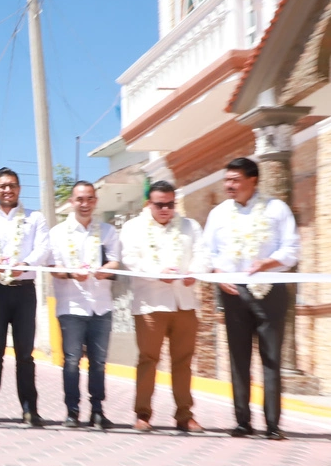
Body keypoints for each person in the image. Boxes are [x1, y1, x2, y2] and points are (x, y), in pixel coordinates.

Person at [203, 157, 300, 440]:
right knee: (238, 358)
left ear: (253, 181)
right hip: (233, 292)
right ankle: (242, 421)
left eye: (234, 180)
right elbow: (207, 252)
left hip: (270, 290)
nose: (228, 185)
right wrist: (219, 274)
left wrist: (266, 263)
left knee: (271, 359)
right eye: (226, 180)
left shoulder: (276, 209)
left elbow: (292, 249)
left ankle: (273, 424)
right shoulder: (219, 214)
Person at [120, 180, 208, 433]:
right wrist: (159, 273)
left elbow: (203, 254)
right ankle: (143, 414)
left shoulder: (190, 226)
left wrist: (196, 271)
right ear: (149, 203)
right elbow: (131, 260)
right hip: (150, 304)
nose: (165, 209)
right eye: (160, 204)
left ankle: (184, 415)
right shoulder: (133, 227)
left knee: (183, 361)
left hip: (184, 302)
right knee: (148, 360)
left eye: (170, 204)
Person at [0, 167, 50, 426]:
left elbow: (43, 249)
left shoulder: (34, 218)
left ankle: (30, 409)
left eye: (12, 185)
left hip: (25, 291)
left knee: (25, 354)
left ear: (19, 188)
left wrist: (25, 264)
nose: (8, 190)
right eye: (2, 186)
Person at [49, 181, 121, 429]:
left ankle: (98, 411)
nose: (85, 203)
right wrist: (71, 274)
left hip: (101, 305)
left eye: (90, 198)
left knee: (99, 362)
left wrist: (105, 270)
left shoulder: (108, 232)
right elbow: (54, 268)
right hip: (71, 306)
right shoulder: (58, 233)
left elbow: (115, 262)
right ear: (72, 202)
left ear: (95, 201)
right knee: (71, 360)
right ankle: (72, 411)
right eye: (80, 199)